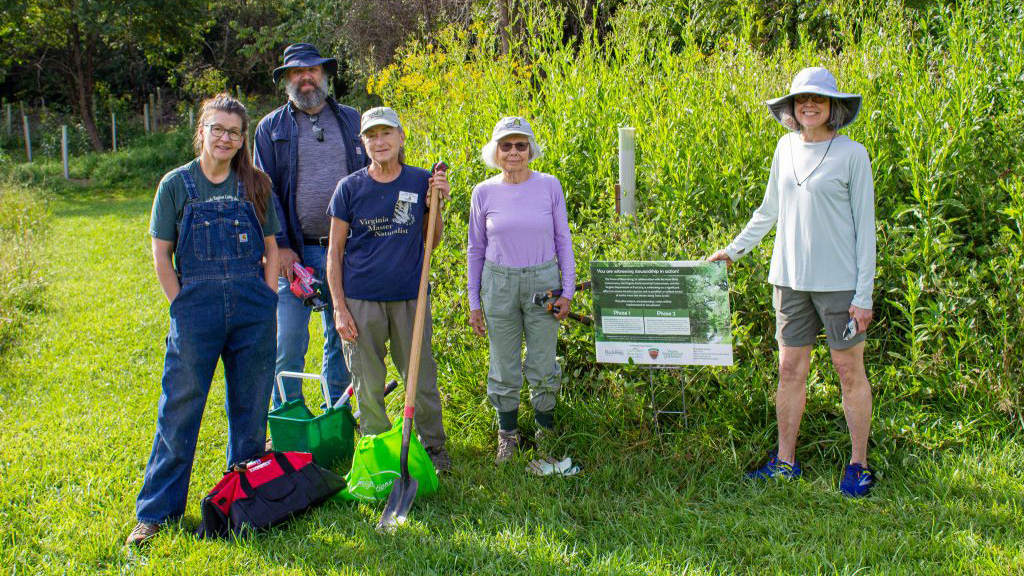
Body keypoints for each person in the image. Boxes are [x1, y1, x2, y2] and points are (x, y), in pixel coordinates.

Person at [709, 67, 877, 497]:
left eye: (817, 100)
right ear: (791, 107)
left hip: (840, 286)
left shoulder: (852, 155)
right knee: (789, 369)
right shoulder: (784, 149)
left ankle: (858, 465)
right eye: (801, 99)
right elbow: (768, 211)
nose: (809, 106)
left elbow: (866, 230)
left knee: (848, 370)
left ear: (833, 107)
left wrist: (863, 296)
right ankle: (785, 462)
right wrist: (734, 250)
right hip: (789, 281)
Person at [127, 94, 280, 545]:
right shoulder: (176, 185)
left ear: (242, 138)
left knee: (251, 411)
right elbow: (161, 254)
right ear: (202, 130)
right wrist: (182, 306)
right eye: (217, 129)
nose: (225, 138)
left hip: (253, 310)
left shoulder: (255, 183)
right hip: (196, 310)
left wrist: (268, 295)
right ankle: (157, 512)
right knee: (180, 408)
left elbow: (271, 247)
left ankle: (243, 504)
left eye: (234, 132)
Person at [325, 106, 452, 472]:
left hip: (410, 297)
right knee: (367, 381)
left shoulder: (420, 181)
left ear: (400, 138)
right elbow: (333, 253)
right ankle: (378, 451)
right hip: (360, 299)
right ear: (362, 142)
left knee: (422, 375)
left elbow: (432, 242)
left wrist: (435, 207)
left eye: (386, 134)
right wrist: (338, 306)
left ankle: (433, 448)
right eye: (371, 135)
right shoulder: (349, 188)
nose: (379, 142)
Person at [253, 43, 369, 409]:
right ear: (287, 80)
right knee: (287, 342)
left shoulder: (353, 120)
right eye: (296, 72)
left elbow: (373, 178)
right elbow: (263, 191)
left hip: (346, 251)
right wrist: (281, 245)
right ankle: (288, 418)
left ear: (325, 74)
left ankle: (336, 414)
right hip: (294, 255)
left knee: (340, 338)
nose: (305, 77)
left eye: (312, 70)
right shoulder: (270, 128)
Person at [467, 116, 576, 464]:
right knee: (503, 362)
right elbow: (475, 249)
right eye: (506, 145)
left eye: (520, 145)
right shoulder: (483, 192)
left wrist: (568, 292)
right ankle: (508, 436)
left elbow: (563, 240)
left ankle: (545, 434)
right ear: (495, 151)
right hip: (498, 285)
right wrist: (473, 301)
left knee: (543, 361)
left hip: (543, 282)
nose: (513, 152)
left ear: (530, 150)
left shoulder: (549, 186)